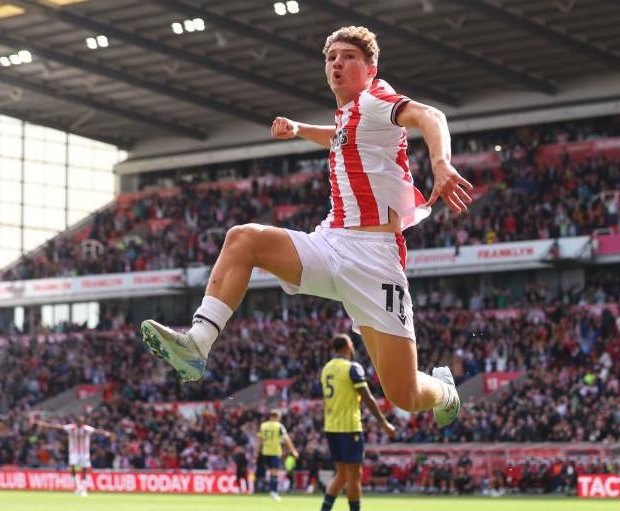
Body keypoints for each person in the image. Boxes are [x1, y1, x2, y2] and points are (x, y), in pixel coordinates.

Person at [140, 25, 469, 428]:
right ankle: (197, 344)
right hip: (330, 244)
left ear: (370, 68)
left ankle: (446, 391)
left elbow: (430, 115)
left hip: (374, 263)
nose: (337, 63)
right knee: (243, 239)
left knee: (404, 394)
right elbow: (339, 136)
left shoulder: (376, 98)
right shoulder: (351, 117)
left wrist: (440, 164)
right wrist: (298, 129)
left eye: (348, 56)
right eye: (331, 58)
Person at [320, 333, 396, 511]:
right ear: (347, 346)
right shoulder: (353, 368)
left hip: (331, 427)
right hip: (349, 428)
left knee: (342, 475)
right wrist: (384, 423)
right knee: (354, 477)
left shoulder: (326, 369)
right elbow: (368, 398)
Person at [34, 416, 114, 497]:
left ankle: (83, 489)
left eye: (81, 422)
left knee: (84, 470)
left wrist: (105, 433)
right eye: (78, 422)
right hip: (74, 452)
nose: (79, 424)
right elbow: (59, 427)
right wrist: (45, 425)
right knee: (73, 467)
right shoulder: (71, 428)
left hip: (84, 453)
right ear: (76, 422)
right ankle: (77, 486)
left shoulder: (86, 429)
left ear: (83, 422)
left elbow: (96, 431)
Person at [257, 410, 299, 501]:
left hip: (265, 451)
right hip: (275, 451)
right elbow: (287, 439)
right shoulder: (279, 426)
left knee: (270, 471)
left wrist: (256, 452)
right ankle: (274, 492)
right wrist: (293, 450)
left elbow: (259, 439)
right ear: (277, 417)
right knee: (274, 472)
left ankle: (270, 490)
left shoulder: (263, 426)